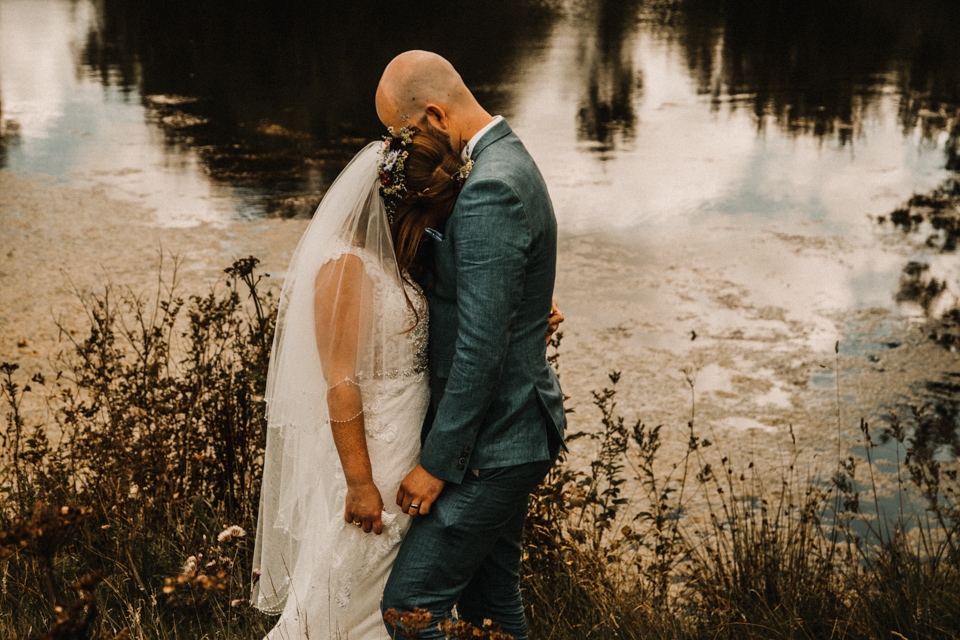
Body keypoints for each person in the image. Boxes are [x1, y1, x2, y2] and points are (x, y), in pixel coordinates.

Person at [376, 51, 566, 640]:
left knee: (410, 610)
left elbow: (481, 350)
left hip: (495, 443)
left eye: (404, 135)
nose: (403, 153)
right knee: (490, 602)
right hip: (514, 433)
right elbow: (494, 295)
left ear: (435, 113)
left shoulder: (489, 190)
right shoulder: (509, 158)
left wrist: (436, 464)